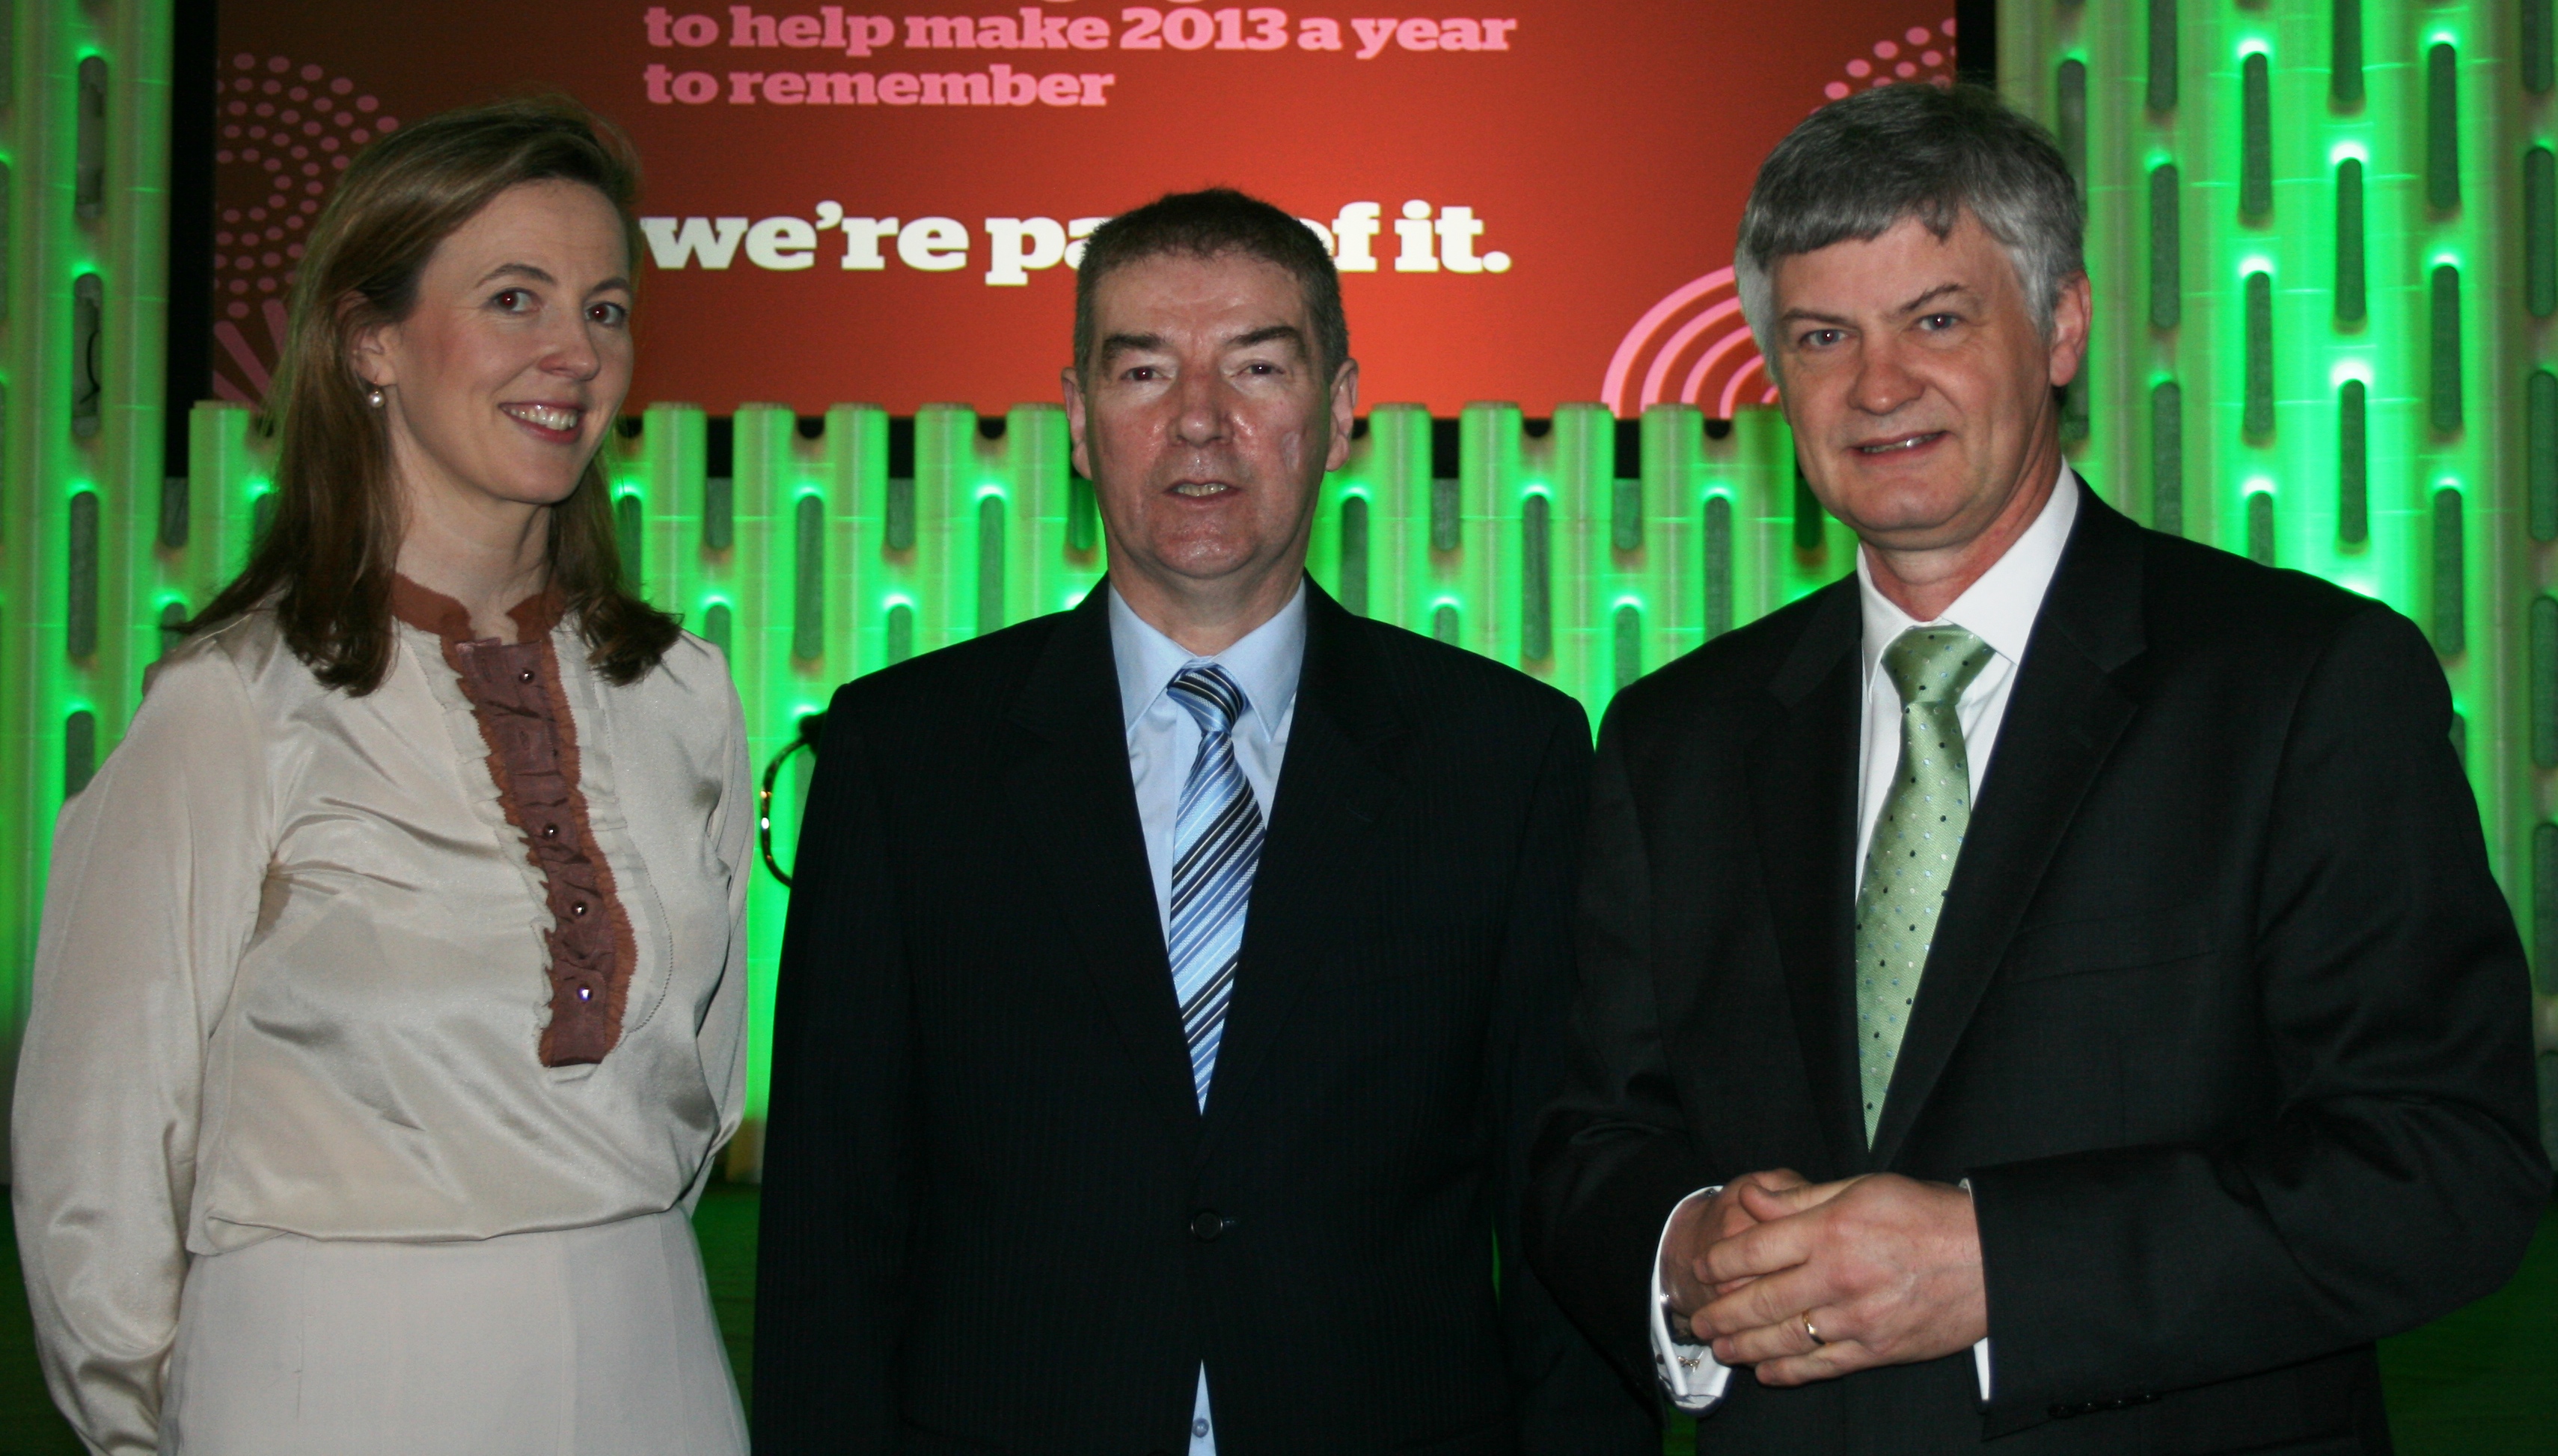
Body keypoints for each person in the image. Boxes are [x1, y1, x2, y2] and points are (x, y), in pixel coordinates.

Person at [1525, 82, 2550, 1455]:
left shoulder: (2304, 682)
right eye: (1824, 337)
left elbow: (2447, 1169)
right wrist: (1680, 1250)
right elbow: (1589, 1141)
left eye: (1937, 319)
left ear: (2061, 325)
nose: (1878, 387)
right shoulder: (1674, 737)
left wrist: (1999, 1267)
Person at [751, 188, 1654, 1455]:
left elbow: (1560, 1207)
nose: (1198, 422)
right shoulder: (906, 756)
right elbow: (828, 1226)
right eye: (1142, 369)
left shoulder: (1506, 757)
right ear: (1077, 419)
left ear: (1339, 410)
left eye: (1258, 366)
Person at [10, 99, 752, 1456]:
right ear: (369, 342)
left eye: (603, 308)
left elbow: (702, 1079)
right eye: (514, 297)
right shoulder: (232, 708)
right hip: (331, 1379)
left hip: (655, 1358)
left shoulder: (681, 693)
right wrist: (145, 1425)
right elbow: (95, 1150)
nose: (571, 353)